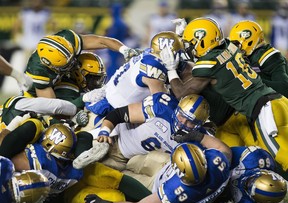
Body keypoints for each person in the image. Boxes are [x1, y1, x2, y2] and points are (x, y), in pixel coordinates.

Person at [161, 17, 288, 178]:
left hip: (264, 108)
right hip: (273, 101)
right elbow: (205, 57)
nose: (190, 47)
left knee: (281, 156)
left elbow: (181, 92)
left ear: (201, 42)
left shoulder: (209, 64)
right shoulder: (229, 46)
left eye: (192, 43)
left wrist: (171, 70)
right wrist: (183, 36)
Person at [74, 93, 231, 173]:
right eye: (182, 116)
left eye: (190, 122)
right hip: (116, 144)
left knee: (165, 164)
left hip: (136, 164)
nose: (183, 122)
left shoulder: (199, 136)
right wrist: (105, 132)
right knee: (82, 157)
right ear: (177, 109)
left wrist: (198, 137)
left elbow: (225, 152)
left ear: (199, 126)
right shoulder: (162, 107)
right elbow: (118, 115)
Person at [83, 142, 231, 203]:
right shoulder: (218, 163)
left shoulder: (175, 193)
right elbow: (226, 150)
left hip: (155, 186)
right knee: (132, 162)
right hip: (165, 166)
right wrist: (199, 137)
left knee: (121, 173)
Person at [82, 31, 184, 126]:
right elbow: (161, 104)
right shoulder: (153, 67)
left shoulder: (148, 53)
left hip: (108, 98)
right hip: (114, 113)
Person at [24, 28, 140, 98]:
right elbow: (51, 107)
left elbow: (102, 41)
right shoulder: (38, 70)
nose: (73, 64)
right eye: (67, 64)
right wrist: (85, 99)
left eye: (72, 57)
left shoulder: (68, 39)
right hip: (35, 96)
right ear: (50, 65)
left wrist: (125, 50)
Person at [229, 20, 288, 98]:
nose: (233, 47)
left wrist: (250, 79)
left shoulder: (269, 56)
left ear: (248, 41)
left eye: (236, 44)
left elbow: (284, 88)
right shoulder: (245, 56)